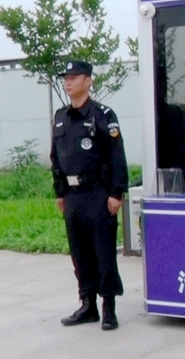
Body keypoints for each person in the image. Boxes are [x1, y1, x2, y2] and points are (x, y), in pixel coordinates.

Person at [50, 60, 128, 331]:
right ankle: (87, 304)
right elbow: (56, 157)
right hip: (72, 196)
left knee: (103, 252)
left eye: (74, 77)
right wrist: (59, 191)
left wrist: (116, 193)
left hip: (98, 194)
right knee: (80, 254)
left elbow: (117, 156)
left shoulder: (103, 115)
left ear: (88, 80)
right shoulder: (61, 117)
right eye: (66, 78)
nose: (68, 82)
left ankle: (108, 307)